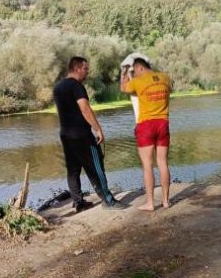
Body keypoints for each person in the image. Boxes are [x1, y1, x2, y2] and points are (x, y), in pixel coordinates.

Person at [53, 56, 126, 212]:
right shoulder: (76, 86)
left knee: (73, 170)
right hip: (82, 135)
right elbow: (85, 108)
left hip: (66, 135)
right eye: (86, 69)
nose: (87, 72)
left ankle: (78, 202)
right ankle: (108, 201)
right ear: (77, 68)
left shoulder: (58, 87)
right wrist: (98, 129)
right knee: (96, 166)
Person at [120, 58, 172, 211]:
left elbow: (123, 88)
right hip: (163, 123)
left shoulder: (138, 81)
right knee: (163, 162)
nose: (134, 73)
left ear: (139, 67)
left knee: (147, 165)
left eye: (134, 71)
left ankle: (150, 203)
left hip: (146, 125)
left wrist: (124, 72)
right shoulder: (165, 78)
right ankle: (166, 201)